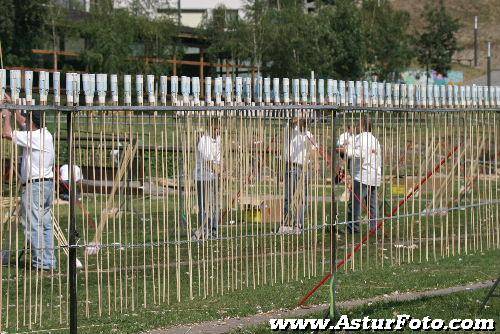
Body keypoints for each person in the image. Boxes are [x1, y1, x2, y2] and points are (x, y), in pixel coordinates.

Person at [1, 105, 56, 271]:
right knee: (45, 224)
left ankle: (42, 262)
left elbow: (7, 134)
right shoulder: (44, 134)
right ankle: (48, 261)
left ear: (33, 122)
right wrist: (13, 105)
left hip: (35, 186)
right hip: (45, 185)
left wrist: (7, 116)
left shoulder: (34, 138)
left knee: (33, 224)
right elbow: (24, 122)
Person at [337, 115, 382, 233]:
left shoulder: (361, 138)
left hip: (362, 176)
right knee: (372, 205)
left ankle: (353, 228)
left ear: (361, 126)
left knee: (355, 204)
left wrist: (345, 151)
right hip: (374, 176)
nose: (355, 127)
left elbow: (359, 153)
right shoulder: (374, 140)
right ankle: (374, 228)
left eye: (357, 124)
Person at [280, 117, 317, 234]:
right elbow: (291, 123)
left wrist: (316, 163)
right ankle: (287, 223)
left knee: (302, 198)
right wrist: (295, 118)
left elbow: (314, 150)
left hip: (305, 168)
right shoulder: (291, 131)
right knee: (289, 197)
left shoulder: (309, 134)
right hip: (292, 167)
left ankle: (298, 224)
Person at [192, 120, 221, 240]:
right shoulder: (204, 140)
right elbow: (207, 160)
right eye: (215, 129)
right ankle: (204, 228)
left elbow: (218, 158)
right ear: (210, 128)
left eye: (218, 128)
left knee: (215, 202)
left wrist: (221, 170)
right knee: (203, 203)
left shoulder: (218, 139)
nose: (217, 131)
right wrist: (217, 170)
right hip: (202, 176)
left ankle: (214, 229)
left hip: (213, 176)